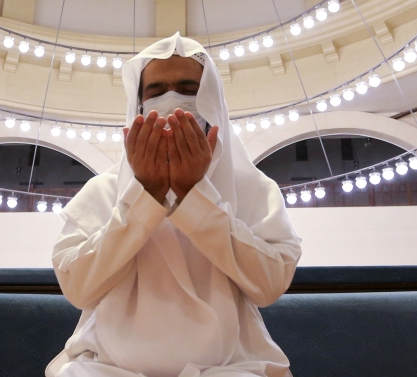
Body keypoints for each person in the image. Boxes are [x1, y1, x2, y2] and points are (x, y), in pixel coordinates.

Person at [46, 33, 302, 377]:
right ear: (138, 106)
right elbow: (78, 287)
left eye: (187, 88)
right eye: (156, 91)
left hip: (229, 367)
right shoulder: (103, 190)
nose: (172, 101)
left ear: (211, 99)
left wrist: (193, 195)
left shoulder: (252, 187)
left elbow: (269, 285)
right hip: (107, 367)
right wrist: (145, 197)